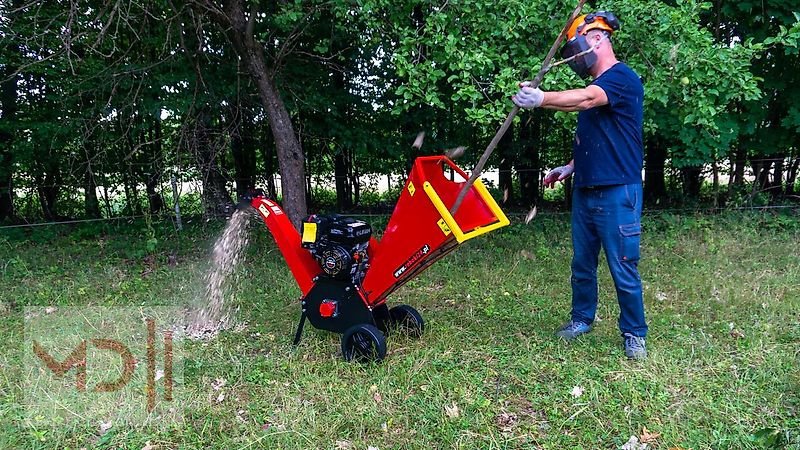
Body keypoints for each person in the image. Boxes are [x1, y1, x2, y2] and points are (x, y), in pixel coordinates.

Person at [512, 11, 647, 359]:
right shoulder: (596, 85)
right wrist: (570, 167)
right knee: (582, 264)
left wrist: (541, 99)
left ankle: (634, 333)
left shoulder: (621, 79)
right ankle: (581, 319)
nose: (574, 57)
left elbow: (586, 99)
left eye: (577, 48)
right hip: (586, 190)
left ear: (598, 39)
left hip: (619, 192)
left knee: (623, 265)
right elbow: (602, 138)